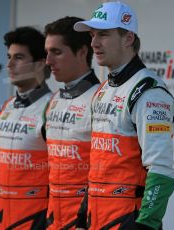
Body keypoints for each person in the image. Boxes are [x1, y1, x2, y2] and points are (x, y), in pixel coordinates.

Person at [73, 2, 174, 229]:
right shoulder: (103, 90)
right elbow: (98, 163)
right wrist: (82, 216)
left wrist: (145, 225)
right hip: (97, 218)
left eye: (103, 35)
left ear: (128, 38)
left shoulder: (149, 91)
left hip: (128, 218)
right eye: (92, 35)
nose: (94, 43)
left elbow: (161, 169)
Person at [44, 16, 100, 229]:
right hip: (53, 219)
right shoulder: (54, 100)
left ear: (83, 52)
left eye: (57, 52)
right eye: (47, 52)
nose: (48, 61)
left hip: (84, 221)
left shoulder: (100, 98)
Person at [0, 26, 52, 230]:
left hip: (38, 217)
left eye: (18, 57)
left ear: (40, 64)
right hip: (3, 215)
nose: (9, 64)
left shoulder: (52, 107)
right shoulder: (4, 108)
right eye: (9, 56)